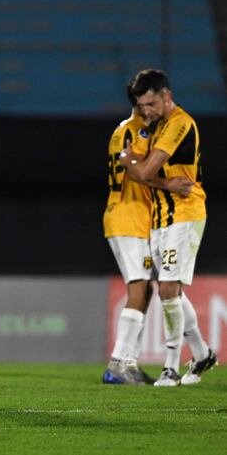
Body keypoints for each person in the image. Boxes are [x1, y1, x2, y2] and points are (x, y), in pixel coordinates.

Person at [102, 81, 206, 385]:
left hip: (130, 216)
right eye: (144, 106)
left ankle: (194, 352)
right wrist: (168, 184)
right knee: (141, 287)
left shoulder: (123, 129)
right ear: (137, 105)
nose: (149, 112)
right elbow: (138, 171)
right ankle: (121, 362)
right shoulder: (135, 131)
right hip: (129, 215)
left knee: (155, 287)